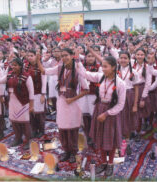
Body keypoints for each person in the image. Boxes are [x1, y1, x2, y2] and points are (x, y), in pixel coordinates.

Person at [76, 45, 126, 176]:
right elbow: (84, 74)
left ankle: (110, 163)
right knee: (101, 138)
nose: (103, 69)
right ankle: (103, 162)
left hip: (111, 112)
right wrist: (77, 60)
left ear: (114, 67)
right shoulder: (100, 77)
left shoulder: (120, 84)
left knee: (111, 138)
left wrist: (107, 113)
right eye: (102, 66)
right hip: (99, 108)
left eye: (106, 66)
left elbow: (120, 105)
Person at [37, 48, 89, 163]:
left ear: (72, 56)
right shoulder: (60, 68)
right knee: (63, 128)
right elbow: (45, 71)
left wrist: (73, 99)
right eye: (62, 56)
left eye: (66, 55)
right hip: (62, 101)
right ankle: (66, 150)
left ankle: (73, 152)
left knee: (72, 129)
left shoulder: (78, 69)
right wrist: (38, 60)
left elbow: (86, 89)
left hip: (73, 103)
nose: (64, 58)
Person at [0, 58, 34, 150]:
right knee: (14, 121)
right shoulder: (9, 75)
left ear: (21, 66)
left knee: (25, 122)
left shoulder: (27, 76)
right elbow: (0, 81)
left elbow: (31, 92)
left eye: (16, 65)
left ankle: (28, 140)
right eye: (12, 65)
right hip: (12, 102)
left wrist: (31, 105)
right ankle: (18, 138)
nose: (13, 67)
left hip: (23, 102)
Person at [25, 50, 47, 138]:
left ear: (36, 56)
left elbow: (44, 81)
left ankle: (41, 130)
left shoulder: (40, 66)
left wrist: (43, 94)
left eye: (32, 55)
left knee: (39, 113)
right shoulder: (26, 67)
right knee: (31, 112)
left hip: (38, 93)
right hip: (30, 93)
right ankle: (34, 129)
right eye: (28, 56)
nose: (30, 57)